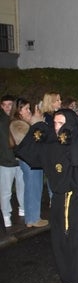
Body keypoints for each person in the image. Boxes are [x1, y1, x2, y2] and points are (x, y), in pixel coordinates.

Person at [16, 109, 78, 283]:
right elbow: (28, 154)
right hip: (59, 199)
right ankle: (68, 276)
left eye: (62, 123)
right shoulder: (52, 145)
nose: (58, 128)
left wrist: (72, 138)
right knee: (60, 239)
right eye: (56, 123)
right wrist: (37, 128)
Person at [9, 98, 48, 228]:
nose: (29, 111)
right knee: (33, 188)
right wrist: (36, 122)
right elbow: (30, 140)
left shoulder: (25, 123)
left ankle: (31, 218)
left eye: (29, 108)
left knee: (33, 188)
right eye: (26, 109)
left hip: (33, 160)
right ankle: (33, 218)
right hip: (29, 161)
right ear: (19, 111)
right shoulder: (16, 124)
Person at [0, 94, 25, 227]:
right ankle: (6, 215)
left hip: (20, 161)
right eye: (5, 105)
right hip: (5, 162)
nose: (8, 107)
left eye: (11, 104)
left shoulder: (17, 119)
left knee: (22, 187)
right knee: (5, 191)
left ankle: (22, 208)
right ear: (1, 106)